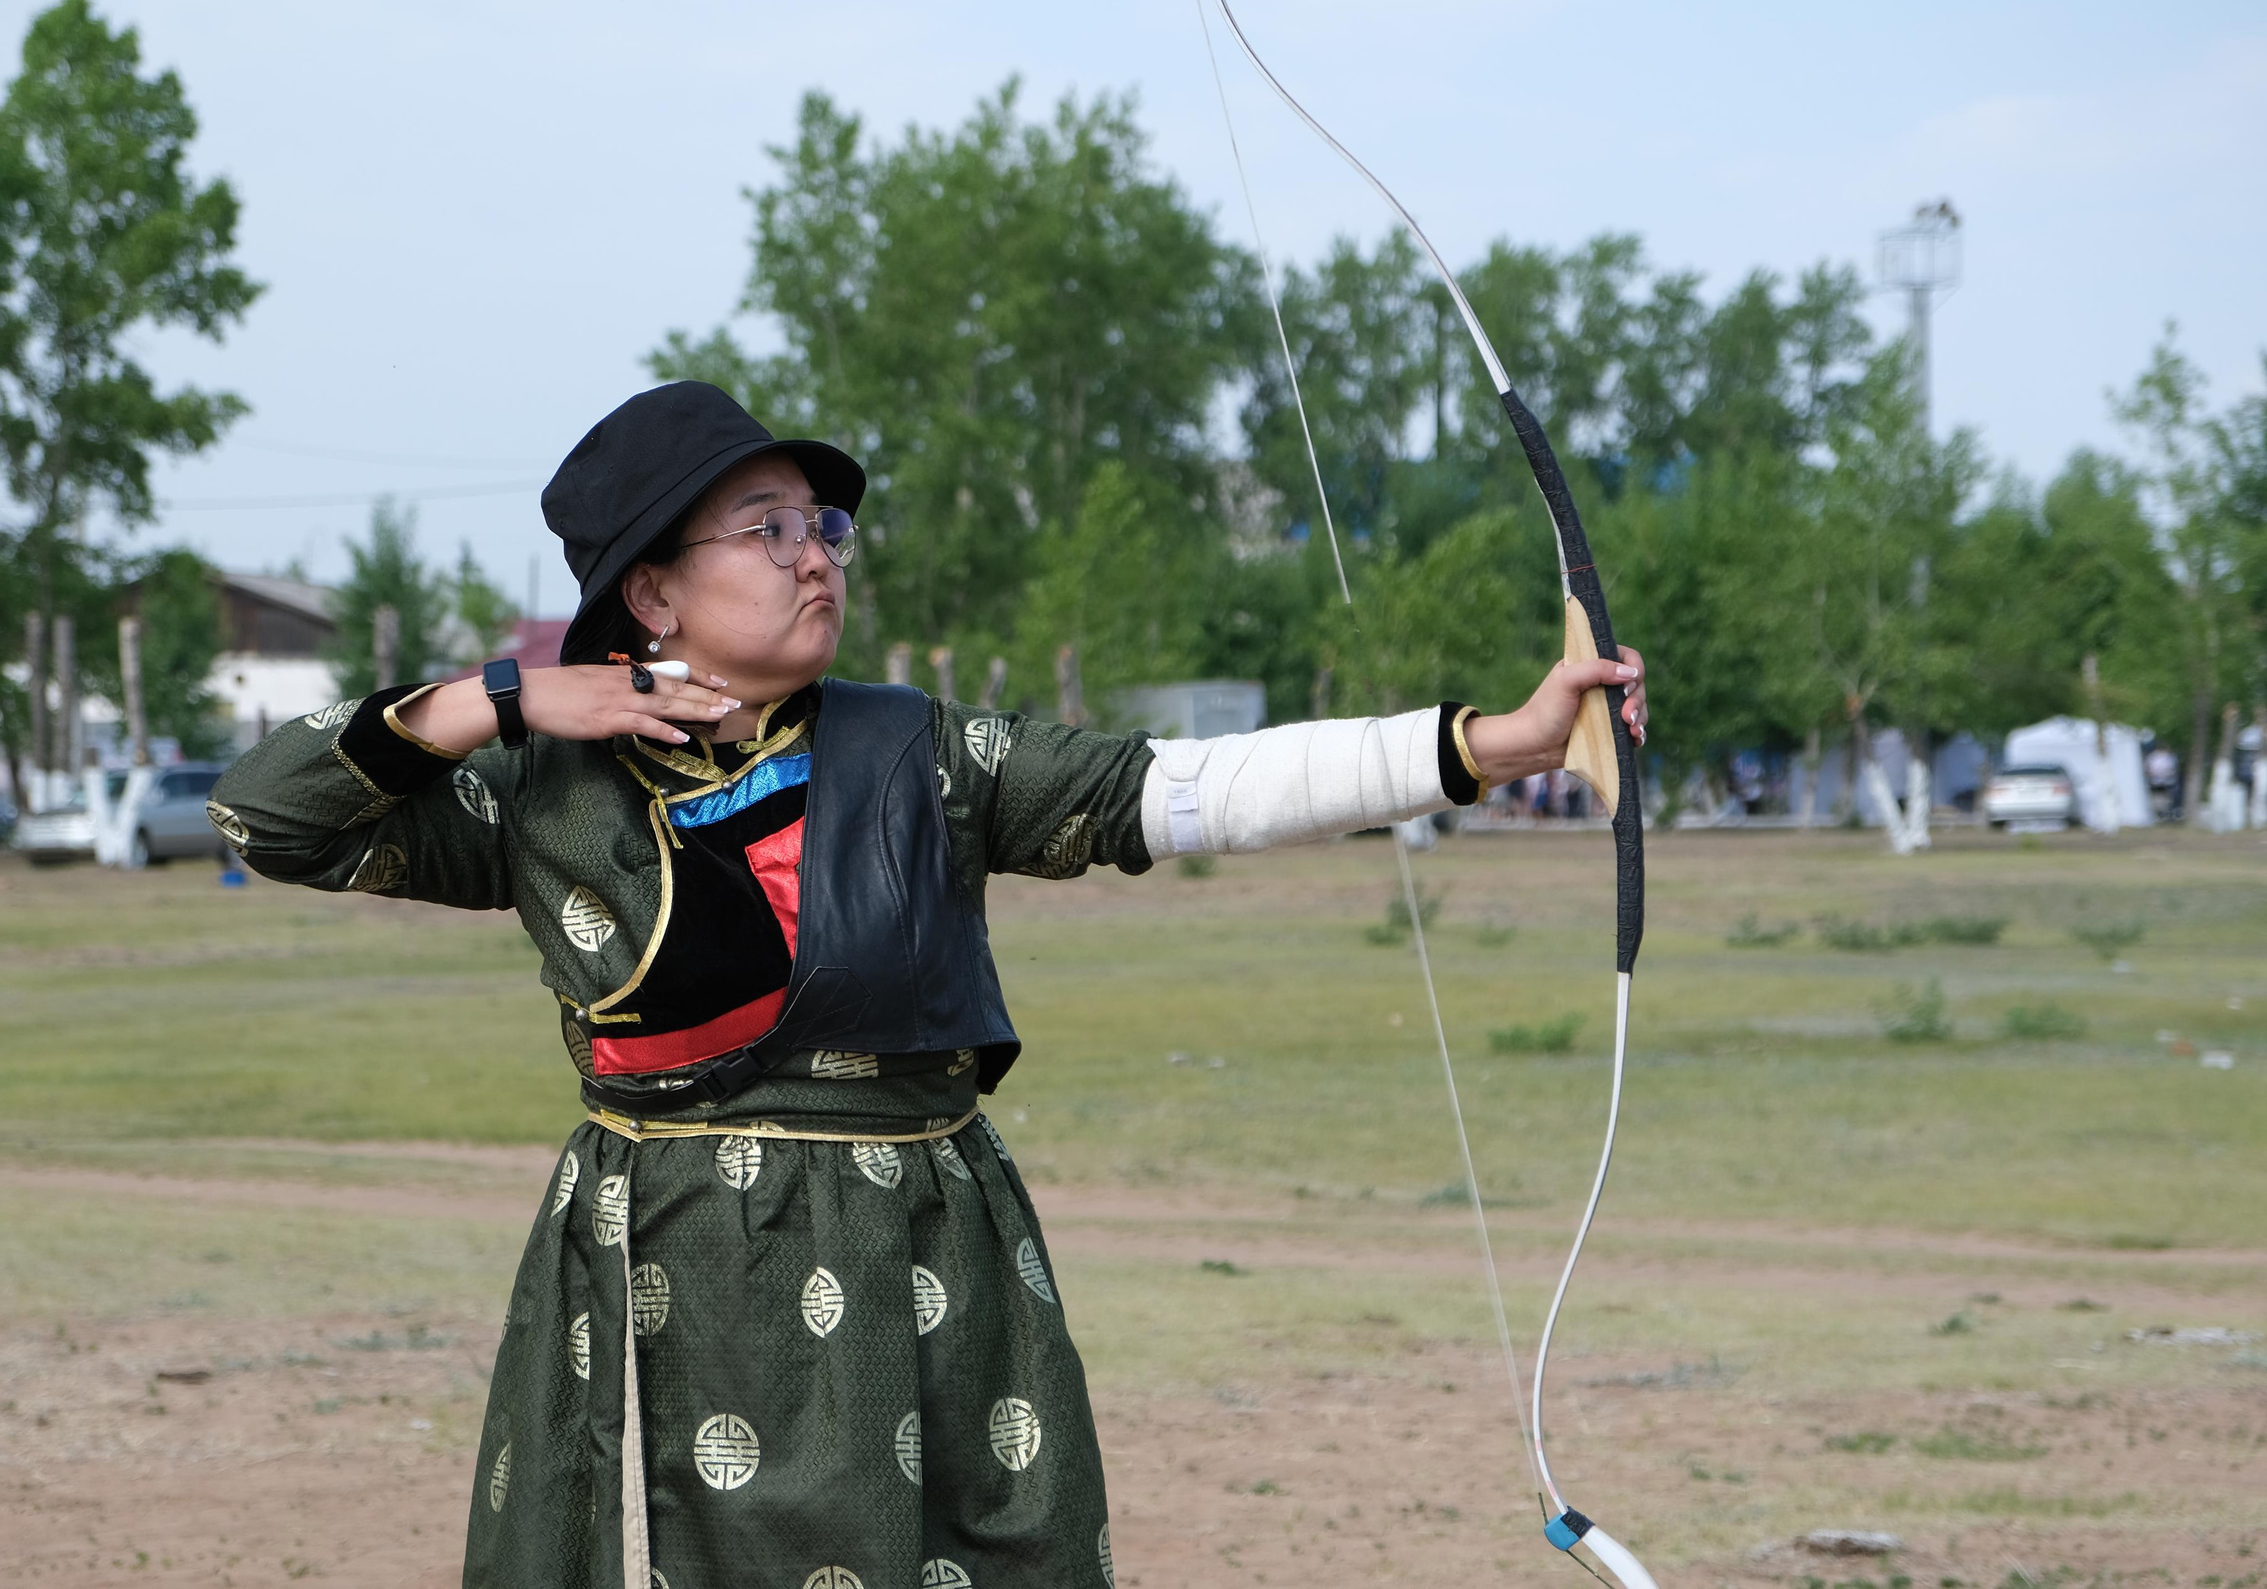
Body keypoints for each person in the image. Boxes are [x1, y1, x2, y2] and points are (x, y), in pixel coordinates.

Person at [209, 382, 1646, 1589]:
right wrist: (503, 701)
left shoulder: (921, 754)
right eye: (762, 530)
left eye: (820, 525)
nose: (816, 555)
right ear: (651, 586)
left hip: (931, 1249)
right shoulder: (543, 788)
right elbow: (262, 819)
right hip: (674, 1266)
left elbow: (1182, 789)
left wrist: (1497, 744)